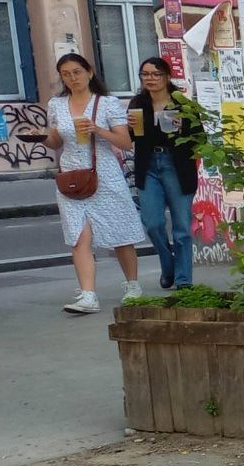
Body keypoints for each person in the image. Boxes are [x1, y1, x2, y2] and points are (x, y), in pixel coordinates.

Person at [43, 52, 142, 314]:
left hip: (105, 173)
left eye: (76, 72)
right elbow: (56, 141)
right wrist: (41, 138)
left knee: (120, 234)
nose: (72, 78)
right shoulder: (56, 104)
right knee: (79, 236)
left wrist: (97, 130)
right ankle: (88, 295)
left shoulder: (107, 103)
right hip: (71, 176)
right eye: (66, 74)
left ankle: (133, 286)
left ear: (89, 72)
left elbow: (125, 143)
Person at [127, 56, 202, 290]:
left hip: (176, 164)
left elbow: (200, 139)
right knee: (152, 223)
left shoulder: (182, 103)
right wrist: (129, 128)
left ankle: (183, 280)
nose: (150, 79)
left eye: (155, 74)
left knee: (181, 227)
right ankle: (168, 263)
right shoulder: (138, 103)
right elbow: (132, 138)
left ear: (167, 76)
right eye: (145, 74)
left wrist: (183, 128)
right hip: (148, 164)